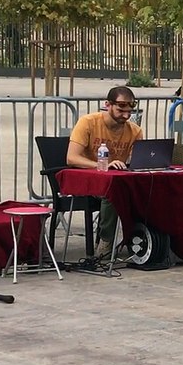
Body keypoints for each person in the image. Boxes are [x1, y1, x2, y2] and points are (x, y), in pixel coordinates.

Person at [66, 86, 144, 258]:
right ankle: (105, 241)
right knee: (113, 192)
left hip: (116, 180)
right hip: (89, 181)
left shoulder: (135, 130)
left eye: (129, 111)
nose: (125, 115)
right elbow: (71, 158)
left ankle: (145, 238)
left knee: (146, 188)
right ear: (107, 105)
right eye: (120, 110)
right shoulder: (88, 122)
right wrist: (102, 165)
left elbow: (139, 160)